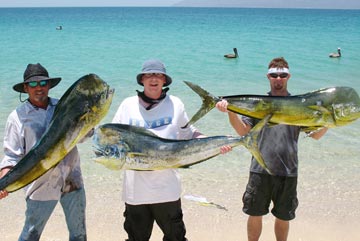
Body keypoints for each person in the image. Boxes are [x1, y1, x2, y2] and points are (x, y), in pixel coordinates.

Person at [112, 59, 231, 241]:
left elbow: (189, 134)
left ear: (164, 80)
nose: (154, 79)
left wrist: (213, 144)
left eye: (158, 75)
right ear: (142, 79)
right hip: (135, 193)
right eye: (149, 75)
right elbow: (113, 138)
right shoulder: (127, 105)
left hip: (167, 191)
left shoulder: (176, 104)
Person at [216, 57, 328, 241]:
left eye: (282, 75)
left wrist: (329, 121)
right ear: (268, 77)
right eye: (274, 75)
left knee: (284, 216)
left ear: (288, 76)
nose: (278, 78)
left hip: (288, 171)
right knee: (255, 213)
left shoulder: (299, 105)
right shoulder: (258, 104)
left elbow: (315, 135)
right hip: (260, 169)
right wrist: (231, 112)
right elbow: (244, 131)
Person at [0, 63, 87, 241]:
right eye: (33, 84)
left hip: (72, 180)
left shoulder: (63, 107)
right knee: (31, 235)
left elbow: (83, 135)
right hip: (40, 186)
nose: (38, 88)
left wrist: (88, 120)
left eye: (43, 83)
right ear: (25, 88)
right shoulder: (16, 118)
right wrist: (4, 182)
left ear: (49, 86)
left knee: (79, 235)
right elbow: (11, 156)